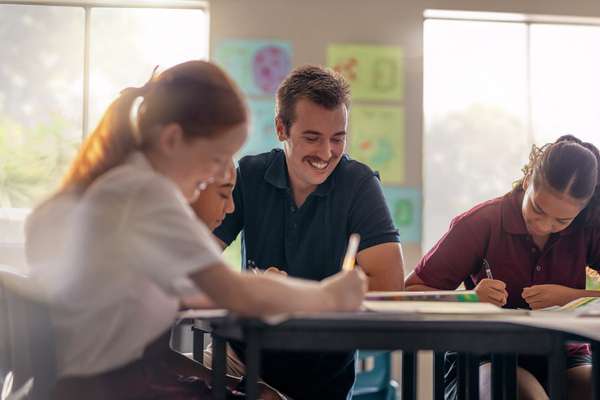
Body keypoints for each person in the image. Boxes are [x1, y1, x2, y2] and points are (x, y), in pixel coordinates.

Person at [24, 60, 367, 400]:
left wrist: (272, 289)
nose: (217, 174)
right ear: (173, 139)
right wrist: (329, 297)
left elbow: (205, 292)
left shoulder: (120, 187)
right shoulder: (145, 193)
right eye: (217, 157)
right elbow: (234, 292)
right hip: (113, 388)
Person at [213, 65, 405, 399]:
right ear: (280, 129)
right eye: (312, 138)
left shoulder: (359, 185)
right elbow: (196, 258)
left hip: (323, 371)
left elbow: (390, 287)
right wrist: (261, 288)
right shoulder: (248, 175)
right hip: (245, 360)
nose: (326, 153)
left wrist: (283, 293)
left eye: (338, 139)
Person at [405, 134, 600, 400]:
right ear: (529, 179)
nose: (544, 226)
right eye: (537, 209)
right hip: (488, 355)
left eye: (561, 221)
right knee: (521, 394)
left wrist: (574, 296)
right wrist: (469, 299)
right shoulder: (481, 223)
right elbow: (412, 290)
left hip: (565, 354)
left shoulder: (588, 227)